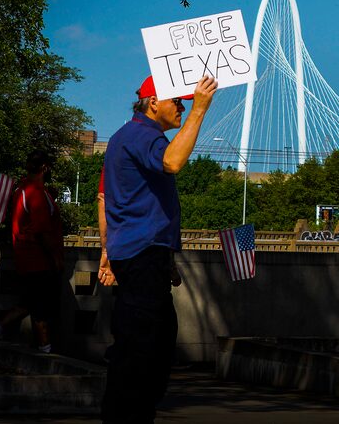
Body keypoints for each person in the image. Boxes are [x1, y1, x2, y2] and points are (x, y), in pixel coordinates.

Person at [100, 74, 217, 424]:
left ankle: (132, 414)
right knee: (142, 351)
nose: (181, 106)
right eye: (176, 101)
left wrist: (165, 258)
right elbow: (173, 162)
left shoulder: (130, 135)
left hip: (144, 255)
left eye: (184, 102)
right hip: (141, 256)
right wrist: (200, 110)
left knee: (153, 344)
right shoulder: (142, 135)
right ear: (153, 103)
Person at [0, 150, 64, 354]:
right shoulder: (35, 192)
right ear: (45, 168)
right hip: (38, 260)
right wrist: (55, 258)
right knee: (41, 309)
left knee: (29, 301)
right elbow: (42, 230)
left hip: (24, 256)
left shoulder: (21, 189)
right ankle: (46, 350)